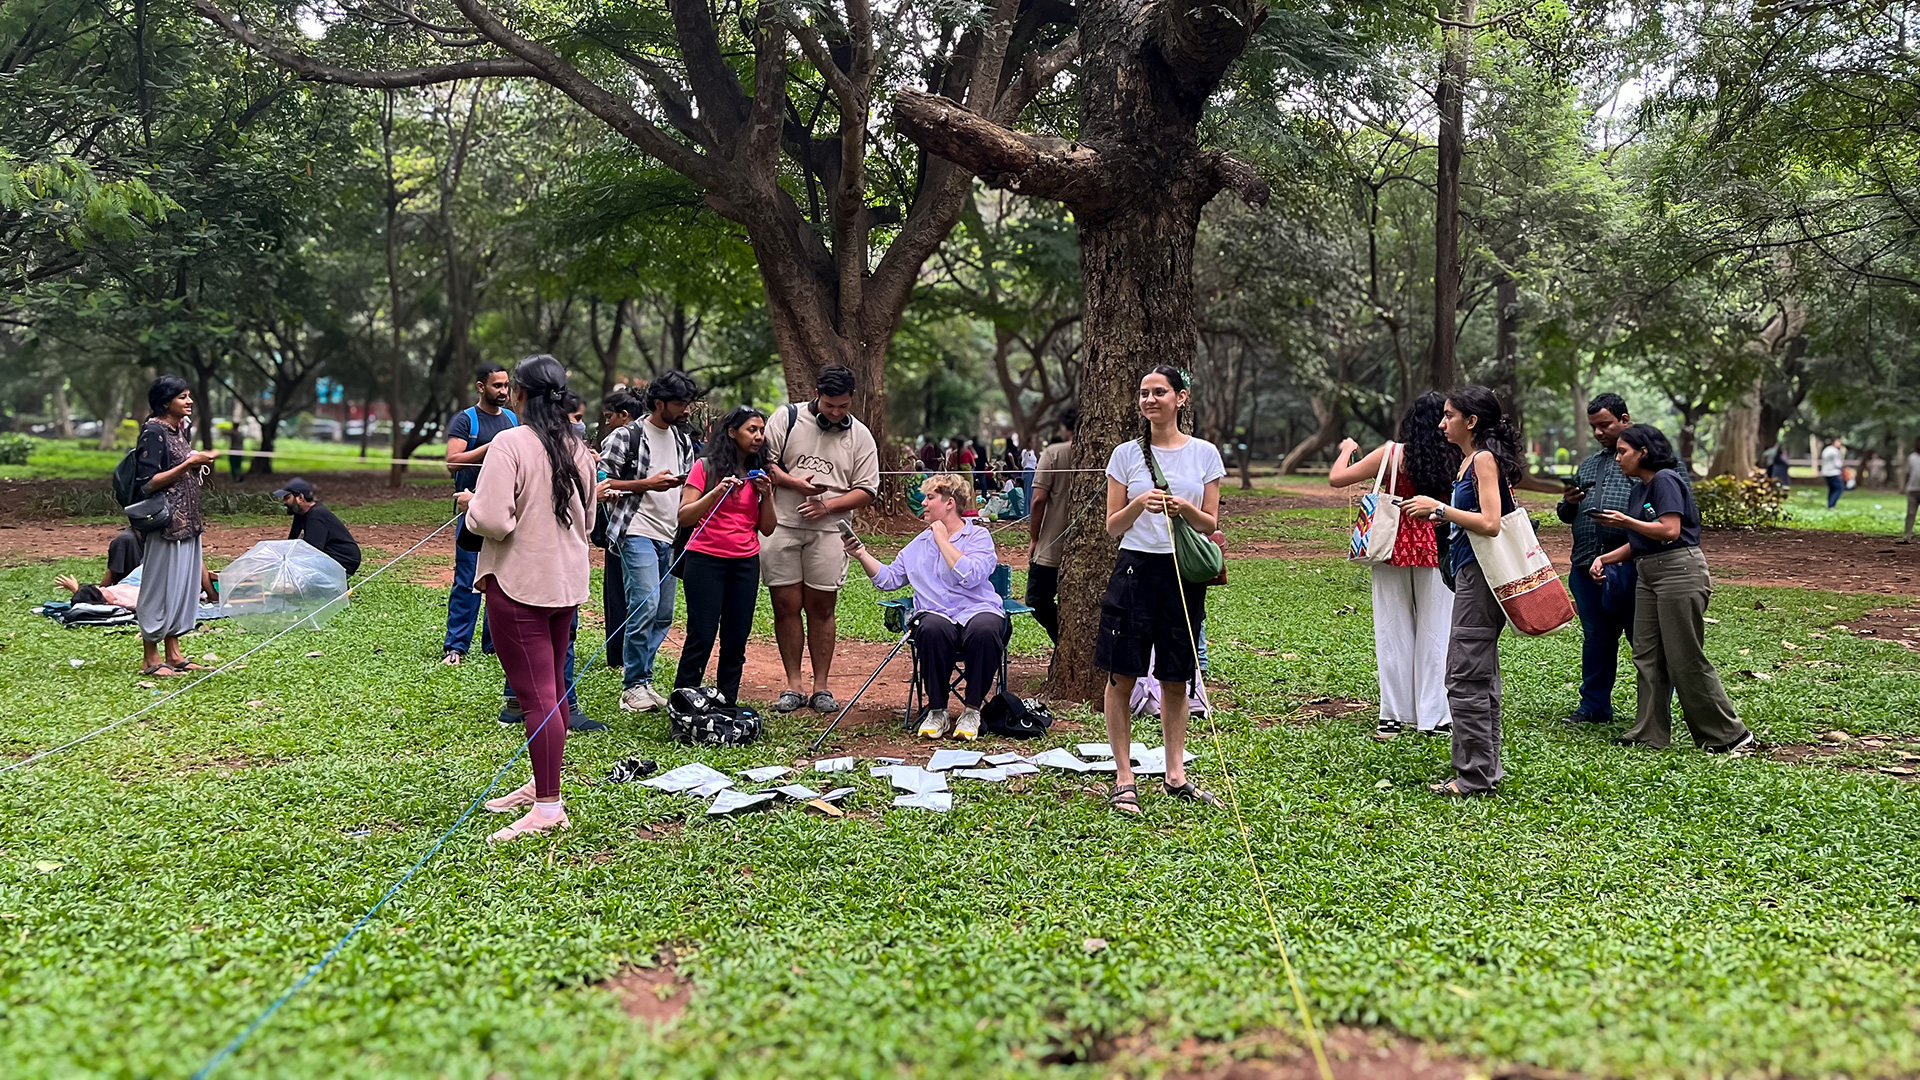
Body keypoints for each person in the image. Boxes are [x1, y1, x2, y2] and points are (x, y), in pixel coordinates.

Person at [466, 355, 598, 842]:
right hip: (565, 584)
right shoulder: (578, 447)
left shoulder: (510, 443)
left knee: (537, 695)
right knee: (553, 687)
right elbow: (588, 521)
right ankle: (542, 784)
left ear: (520, 393)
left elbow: (492, 520)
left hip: (518, 583)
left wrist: (470, 506)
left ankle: (547, 807)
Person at [1097, 366, 1225, 815]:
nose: (1149, 400)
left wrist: (1183, 507)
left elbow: (1209, 523)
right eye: (1143, 393)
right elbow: (1112, 526)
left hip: (1182, 574)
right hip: (1134, 569)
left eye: (1159, 392)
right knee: (1121, 674)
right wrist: (1139, 503)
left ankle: (1176, 774)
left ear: (1181, 398)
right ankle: (1124, 777)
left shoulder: (1205, 454)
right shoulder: (1125, 455)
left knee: (1176, 676)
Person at [1590, 424, 1754, 754]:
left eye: (1623, 452)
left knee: (1684, 656)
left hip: (1679, 571)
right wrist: (1605, 559)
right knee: (1647, 655)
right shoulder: (1639, 490)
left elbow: (1669, 530)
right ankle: (1648, 732)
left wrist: (1625, 521)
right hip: (1648, 574)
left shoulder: (1665, 479)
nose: (1618, 458)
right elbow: (1642, 540)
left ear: (1643, 452)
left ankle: (1728, 735)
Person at [1405, 386, 1525, 797]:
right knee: (1479, 675)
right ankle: (1484, 770)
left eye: (1449, 415)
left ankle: (1473, 777)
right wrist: (1448, 519)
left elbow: (1491, 522)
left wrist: (1438, 509)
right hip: (1471, 573)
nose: (1442, 424)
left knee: (1465, 675)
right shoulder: (1470, 461)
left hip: (1480, 577)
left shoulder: (1484, 460)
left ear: (1471, 421)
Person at [1328, 391, 1457, 739]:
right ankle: (1435, 718)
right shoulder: (1457, 454)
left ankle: (1393, 717)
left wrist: (1347, 450)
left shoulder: (1392, 453)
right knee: (1438, 630)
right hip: (1439, 545)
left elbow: (1337, 478)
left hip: (1390, 545)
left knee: (1392, 629)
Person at [846, 472, 1005, 740]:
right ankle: (937, 711)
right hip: (936, 614)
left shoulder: (978, 537)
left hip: (978, 610)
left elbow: (972, 576)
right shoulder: (918, 544)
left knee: (985, 629)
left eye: (930, 497)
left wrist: (942, 540)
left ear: (949, 503)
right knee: (932, 628)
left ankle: (972, 711)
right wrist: (861, 554)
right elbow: (889, 579)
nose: (923, 503)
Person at [762, 364, 881, 714]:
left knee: (822, 607)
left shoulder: (860, 435)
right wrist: (795, 484)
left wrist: (827, 506)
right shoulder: (786, 418)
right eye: (830, 405)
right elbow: (765, 463)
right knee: (785, 605)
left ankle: (821, 687)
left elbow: (867, 489)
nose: (836, 412)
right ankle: (793, 686)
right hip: (782, 524)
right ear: (817, 394)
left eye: (843, 406)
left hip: (830, 530)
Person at [596, 371, 698, 713]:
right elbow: (601, 483)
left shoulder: (683, 442)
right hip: (634, 530)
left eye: (688, 403)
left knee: (664, 614)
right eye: (680, 403)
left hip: (669, 535)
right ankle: (632, 687)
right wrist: (646, 484)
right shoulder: (627, 436)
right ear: (659, 403)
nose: (686, 410)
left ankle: (644, 680)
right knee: (645, 606)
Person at [673, 406, 777, 705]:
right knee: (701, 635)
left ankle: (726, 702)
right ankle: (684, 702)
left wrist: (767, 494)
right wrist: (716, 492)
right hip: (706, 559)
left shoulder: (761, 473)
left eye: (761, 430)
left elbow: (767, 528)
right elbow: (685, 516)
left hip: (745, 562)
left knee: (736, 638)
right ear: (732, 432)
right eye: (751, 430)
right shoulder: (705, 467)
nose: (758, 436)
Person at [1553, 392, 1640, 727]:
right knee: (1597, 639)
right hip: (1585, 565)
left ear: (1624, 420)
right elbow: (1565, 515)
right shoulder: (1589, 464)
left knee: (1642, 641)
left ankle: (1652, 712)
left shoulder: (1649, 462)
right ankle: (1594, 707)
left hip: (1630, 566)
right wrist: (1570, 502)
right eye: (1594, 427)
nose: (1599, 432)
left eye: (1605, 424)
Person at [129, 376, 221, 677]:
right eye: (182, 397)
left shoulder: (179, 429)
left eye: (189, 395)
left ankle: (174, 653)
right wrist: (188, 464)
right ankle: (150, 658)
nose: (189, 401)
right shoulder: (153, 431)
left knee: (183, 587)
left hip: (188, 522)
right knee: (159, 587)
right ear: (165, 402)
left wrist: (196, 460)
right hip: (165, 523)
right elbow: (148, 483)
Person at [442, 363, 517, 665]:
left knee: (500, 580)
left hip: (505, 512)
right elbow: (452, 462)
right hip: (472, 512)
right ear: (481, 387)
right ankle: (456, 646)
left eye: (506, 385)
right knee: (468, 580)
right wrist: (491, 447)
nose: (503, 391)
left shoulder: (512, 419)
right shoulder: (466, 420)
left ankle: (495, 645)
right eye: (497, 385)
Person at [596, 388, 642, 671]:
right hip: (646, 529)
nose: (607, 422)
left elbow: (605, 480)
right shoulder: (652, 436)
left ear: (624, 415)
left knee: (618, 593)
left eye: (609, 417)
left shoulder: (619, 436)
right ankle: (628, 658)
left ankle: (619, 658)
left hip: (622, 526)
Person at [1026, 405, 1077, 644]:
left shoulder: (1054, 453)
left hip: (1052, 546)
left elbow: (1038, 500)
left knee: (1036, 599)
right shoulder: (1107, 452)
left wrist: (1034, 538)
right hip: (1087, 545)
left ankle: (1065, 642)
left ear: (1065, 427)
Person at [274, 477, 362, 575]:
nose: (284, 502)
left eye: (287, 498)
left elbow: (313, 551)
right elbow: (292, 543)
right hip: (326, 558)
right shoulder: (300, 514)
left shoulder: (316, 515)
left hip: (343, 561)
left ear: (300, 498)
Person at [1902, 437, 1920, 545]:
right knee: (1910, 513)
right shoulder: (1911, 457)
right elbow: (1907, 473)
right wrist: (1904, 486)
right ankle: (1907, 536)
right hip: (1912, 489)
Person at [1820, 435, 1846, 508]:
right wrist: (1841, 466)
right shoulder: (1834, 451)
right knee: (1839, 488)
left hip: (1826, 472)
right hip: (1834, 472)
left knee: (1832, 489)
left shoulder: (1826, 450)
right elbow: (1837, 463)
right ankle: (1832, 504)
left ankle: (1830, 504)